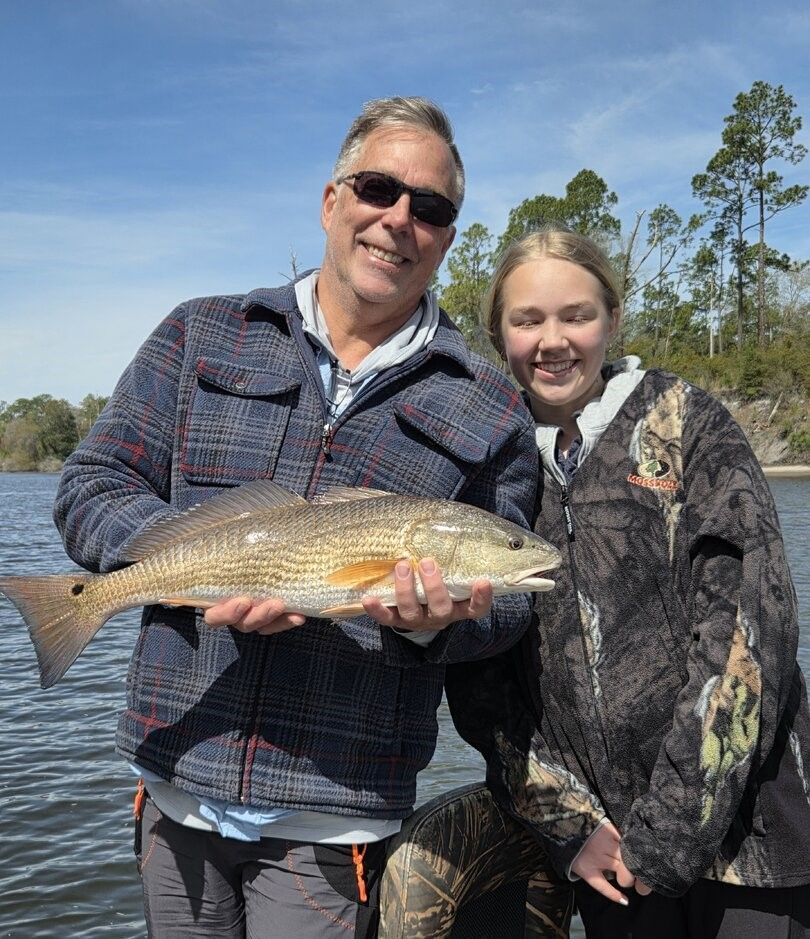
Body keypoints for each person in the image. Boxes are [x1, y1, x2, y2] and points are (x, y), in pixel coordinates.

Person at [54, 97, 541, 938]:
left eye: (430, 208)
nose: (399, 219)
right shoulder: (201, 334)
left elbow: (515, 602)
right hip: (175, 785)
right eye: (379, 188)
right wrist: (177, 557)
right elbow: (92, 481)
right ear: (330, 201)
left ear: (448, 237)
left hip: (334, 818)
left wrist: (434, 625)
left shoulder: (490, 402)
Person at [445, 226, 810, 938]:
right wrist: (570, 826)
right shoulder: (490, 473)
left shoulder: (688, 425)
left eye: (576, 314)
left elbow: (750, 636)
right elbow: (483, 684)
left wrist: (666, 836)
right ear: (501, 336)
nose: (553, 340)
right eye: (528, 320)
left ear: (611, 318)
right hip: (609, 860)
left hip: (753, 845)